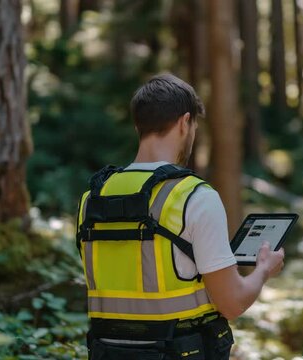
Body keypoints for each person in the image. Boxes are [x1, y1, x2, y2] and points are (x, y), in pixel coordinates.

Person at [76, 74, 285, 360]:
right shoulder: (194, 196)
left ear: (139, 125)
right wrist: (263, 270)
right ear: (185, 122)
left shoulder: (92, 199)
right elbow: (232, 303)